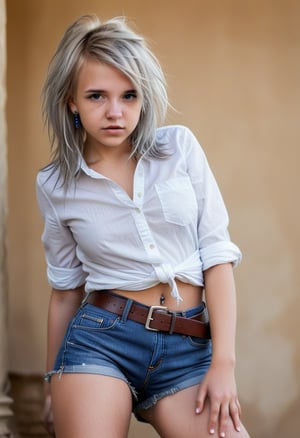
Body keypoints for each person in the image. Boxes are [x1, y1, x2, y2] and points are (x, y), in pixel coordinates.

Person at [36, 14, 250, 438]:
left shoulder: (179, 148)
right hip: (101, 341)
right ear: (71, 100)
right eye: (97, 96)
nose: (115, 112)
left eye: (129, 95)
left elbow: (217, 257)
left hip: (189, 348)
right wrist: (50, 384)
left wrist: (223, 362)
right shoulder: (56, 184)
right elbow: (65, 291)